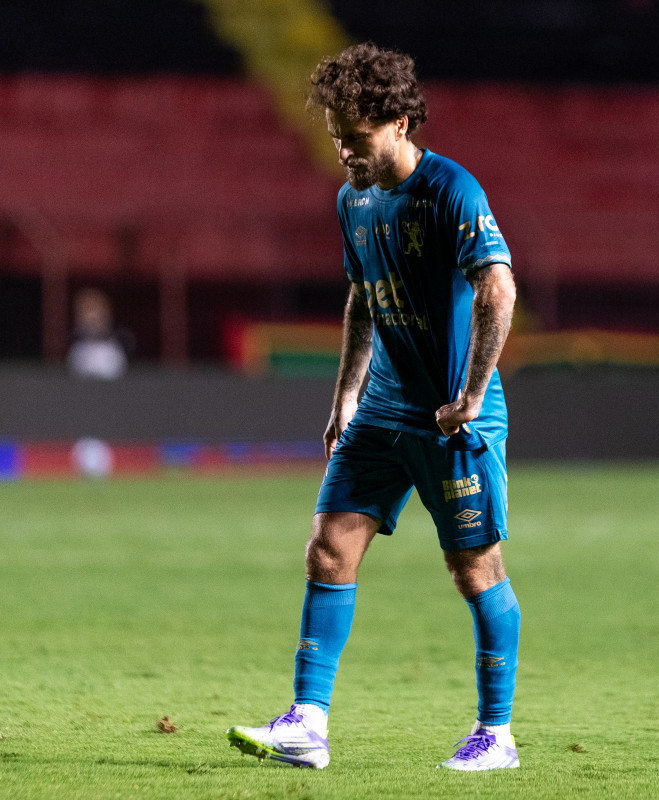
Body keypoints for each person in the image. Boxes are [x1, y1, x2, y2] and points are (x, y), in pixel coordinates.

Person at [227, 42, 520, 772]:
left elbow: (498, 290)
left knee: (475, 570)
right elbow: (363, 295)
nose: (344, 155)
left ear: (397, 122)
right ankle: (307, 722)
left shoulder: (453, 191)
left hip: (455, 418)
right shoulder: (351, 199)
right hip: (381, 410)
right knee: (328, 546)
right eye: (334, 140)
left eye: (354, 141)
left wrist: (473, 394)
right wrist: (346, 396)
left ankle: (497, 734)